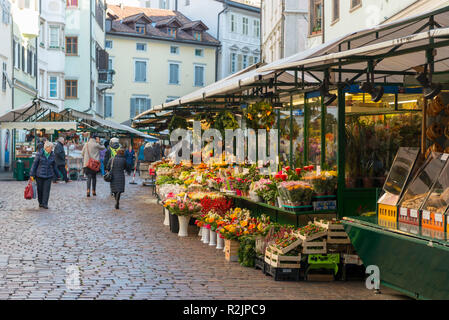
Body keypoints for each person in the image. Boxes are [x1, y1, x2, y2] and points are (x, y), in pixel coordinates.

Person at [30, 141, 59, 209]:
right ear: (46, 147)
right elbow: (34, 164)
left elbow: (54, 165)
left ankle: (45, 203)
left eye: (52, 148)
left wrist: (58, 174)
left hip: (48, 175)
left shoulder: (52, 154)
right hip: (39, 175)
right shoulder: (39, 154)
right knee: (40, 190)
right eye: (50, 147)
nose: (51, 149)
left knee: (46, 190)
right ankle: (40, 202)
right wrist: (32, 174)